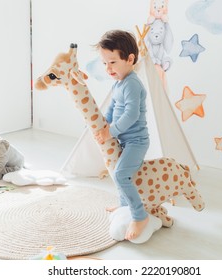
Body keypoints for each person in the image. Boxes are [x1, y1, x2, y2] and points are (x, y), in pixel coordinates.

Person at [94, 30, 150, 240]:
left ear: (130, 59)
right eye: (104, 63)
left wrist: (112, 132)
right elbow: (112, 107)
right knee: (115, 169)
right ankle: (124, 204)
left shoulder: (132, 84)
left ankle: (139, 215)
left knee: (120, 174)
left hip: (136, 142)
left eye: (113, 62)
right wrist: (105, 123)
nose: (108, 69)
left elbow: (131, 115)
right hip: (124, 140)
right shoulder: (118, 82)